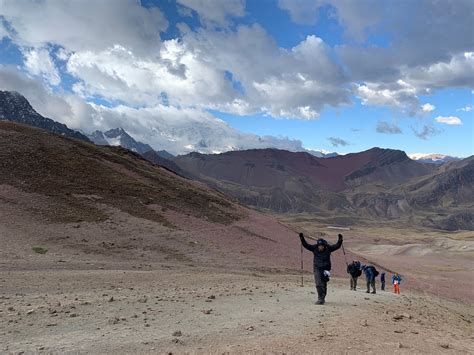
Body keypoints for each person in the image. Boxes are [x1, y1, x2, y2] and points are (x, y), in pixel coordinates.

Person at [299, 232, 343, 305]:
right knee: (318, 283)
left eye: (322, 246)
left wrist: (340, 239)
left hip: (326, 269)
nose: (320, 247)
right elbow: (306, 245)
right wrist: (302, 238)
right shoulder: (314, 248)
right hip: (317, 268)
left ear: (324, 245)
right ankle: (320, 298)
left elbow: (337, 246)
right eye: (319, 246)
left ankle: (323, 297)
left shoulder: (328, 248)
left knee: (324, 284)